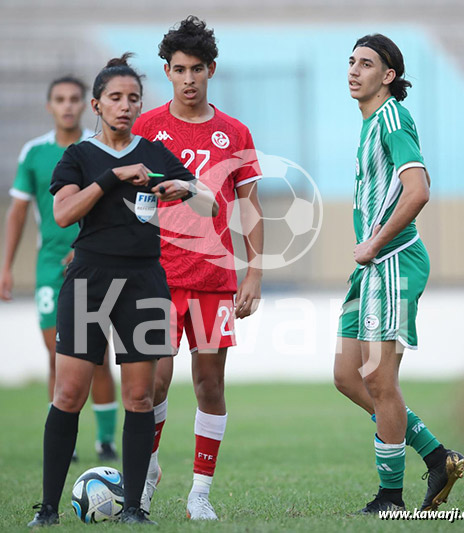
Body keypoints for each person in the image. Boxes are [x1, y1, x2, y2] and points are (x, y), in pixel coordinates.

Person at [27, 53, 218, 527]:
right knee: (68, 393)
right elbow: (64, 215)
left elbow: (211, 205)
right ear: (97, 104)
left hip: (144, 284)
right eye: (115, 98)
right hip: (88, 280)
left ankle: (134, 509)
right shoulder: (79, 156)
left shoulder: (154, 153)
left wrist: (184, 189)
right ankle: (48, 509)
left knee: (140, 398)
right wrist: (112, 178)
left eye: (134, 98)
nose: (126, 106)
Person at [132, 16, 263, 520]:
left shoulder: (234, 133)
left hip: (213, 281)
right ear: (166, 72)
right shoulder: (148, 128)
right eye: (178, 69)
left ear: (212, 70)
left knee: (209, 385)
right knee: (154, 384)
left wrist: (253, 273)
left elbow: (250, 207)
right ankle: (145, 476)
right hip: (157, 277)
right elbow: (136, 202)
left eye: (197, 69)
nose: (188, 79)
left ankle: (199, 494)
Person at [334, 34, 464, 513]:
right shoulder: (370, 123)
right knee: (348, 376)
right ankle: (436, 455)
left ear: (388, 76)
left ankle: (390, 498)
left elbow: (419, 189)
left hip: (392, 263)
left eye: (366, 64)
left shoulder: (392, 117)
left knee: (378, 379)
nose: (353, 70)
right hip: (371, 269)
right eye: (350, 62)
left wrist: (374, 241)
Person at [0, 76, 118, 462]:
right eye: (59, 99)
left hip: (95, 264)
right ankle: (68, 440)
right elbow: (18, 212)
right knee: (60, 356)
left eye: (74, 99)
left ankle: (105, 441)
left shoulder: (96, 148)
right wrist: (6, 268)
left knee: (98, 356)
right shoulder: (33, 153)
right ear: (49, 105)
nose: (67, 105)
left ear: (87, 105)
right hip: (50, 267)